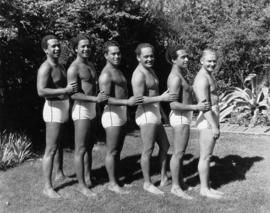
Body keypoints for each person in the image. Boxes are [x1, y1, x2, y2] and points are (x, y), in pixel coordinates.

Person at [131, 43, 178, 195]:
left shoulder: (150, 70)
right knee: (148, 149)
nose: (150, 58)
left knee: (165, 145)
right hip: (146, 114)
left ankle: (164, 177)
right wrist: (162, 98)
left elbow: (154, 92)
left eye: (151, 55)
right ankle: (147, 183)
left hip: (155, 111)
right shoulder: (138, 74)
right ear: (138, 57)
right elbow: (138, 99)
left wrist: (161, 111)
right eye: (146, 56)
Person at [99, 40, 143, 194]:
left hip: (121, 113)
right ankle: (112, 184)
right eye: (113, 54)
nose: (117, 56)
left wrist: (126, 106)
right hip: (111, 114)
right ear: (106, 55)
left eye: (118, 53)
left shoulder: (118, 70)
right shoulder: (106, 74)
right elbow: (104, 99)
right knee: (112, 150)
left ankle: (116, 180)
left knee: (118, 150)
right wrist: (127, 102)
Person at [37, 35, 78, 198]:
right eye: (53, 46)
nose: (56, 48)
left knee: (59, 144)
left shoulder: (60, 65)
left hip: (63, 107)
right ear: (45, 49)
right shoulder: (45, 68)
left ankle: (59, 173)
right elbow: (41, 91)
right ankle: (47, 187)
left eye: (58, 46)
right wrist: (65, 91)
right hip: (53, 109)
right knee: (51, 148)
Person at [166, 46, 210, 199]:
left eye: (187, 57)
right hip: (179, 116)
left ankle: (180, 181)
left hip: (184, 116)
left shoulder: (180, 74)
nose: (186, 59)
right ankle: (175, 187)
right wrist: (196, 107)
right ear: (173, 59)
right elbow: (172, 104)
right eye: (182, 57)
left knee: (181, 152)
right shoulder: (175, 77)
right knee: (178, 153)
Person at [67, 34, 108, 197]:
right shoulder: (73, 68)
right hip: (81, 109)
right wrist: (95, 99)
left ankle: (88, 177)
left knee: (89, 146)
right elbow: (73, 95)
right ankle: (81, 186)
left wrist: (97, 104)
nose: (86, 49)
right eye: (82, 46)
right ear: (75, 48)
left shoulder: (91, 65)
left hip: (92, 108)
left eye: (88, 46)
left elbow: (94, 87)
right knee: (81, 148)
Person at [193, 49, 224, 199]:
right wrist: (213, 126)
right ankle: (204, 189)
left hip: (212, 116)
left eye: (214, 60)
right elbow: (204, 106)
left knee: (208, 155)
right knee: (205, 156)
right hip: (207, 119)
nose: (212, 63)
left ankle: (208, 187)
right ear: (201, 61)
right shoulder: (202, 79)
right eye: (209, 61)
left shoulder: (208, 75)